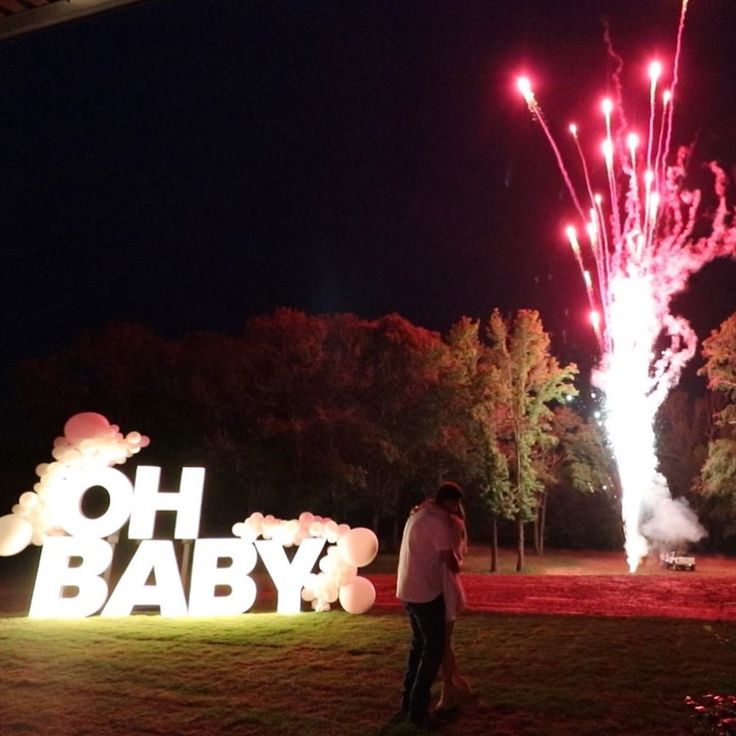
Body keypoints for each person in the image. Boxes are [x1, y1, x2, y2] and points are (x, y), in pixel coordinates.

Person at [396, 481, 464, 728]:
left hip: (409, 589)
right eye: (456, 504)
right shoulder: (437, 522)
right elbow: (449, 559)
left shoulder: (421, 513)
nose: (457, 509)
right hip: (426, 591)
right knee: (433, 649)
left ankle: (408, 702)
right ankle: (419, 711)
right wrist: (459, 564)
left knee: (418, 645)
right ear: (449, 502)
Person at [435, 500, 471, 714]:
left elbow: (452, 559)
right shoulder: (452, 524)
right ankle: (457, 684)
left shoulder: (453, 524)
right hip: (444, 584)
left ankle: (449, 691)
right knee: (442, 643)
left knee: (442, 643)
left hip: (447, 586)